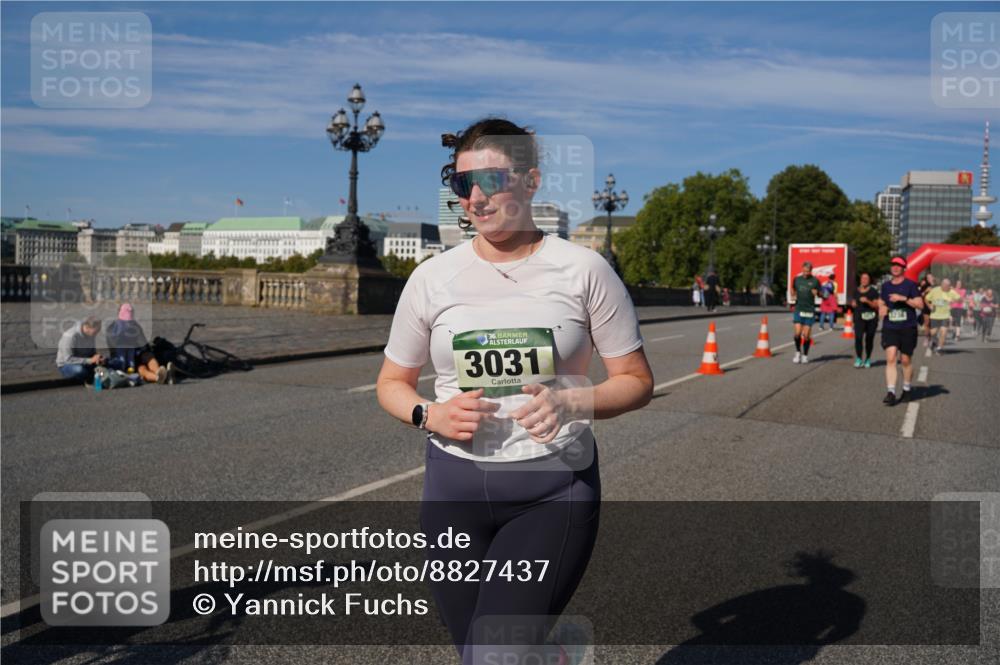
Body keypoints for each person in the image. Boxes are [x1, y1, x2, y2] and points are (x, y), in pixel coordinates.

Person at [375, 117, 654, 665]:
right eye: (461, 185)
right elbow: (391, 384)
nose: (475, 199)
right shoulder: (432, 278)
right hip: (451, 493)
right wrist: (428, 414)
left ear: (529, 182)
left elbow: (638, 381)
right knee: (477, 651)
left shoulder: (584, 270)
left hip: (551, 489)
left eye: (491, 181)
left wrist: (574, 399)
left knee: (493, 657)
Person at [879, 256, 924, 406]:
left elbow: (920, 304)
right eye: (893, 265)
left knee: (905, 360)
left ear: (904, 268)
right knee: (891, 358)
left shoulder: (911, 285)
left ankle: (906, 388)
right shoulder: (885, 286)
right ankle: (891, 392)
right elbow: (882, 301)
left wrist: (903, 299)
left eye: (898, 265)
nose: (895, 267)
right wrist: (882, 307)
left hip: (907, 327)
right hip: (890, 327)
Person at [106, 303, 174, 384]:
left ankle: (159, 373)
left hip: (136, 354)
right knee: (142, 368)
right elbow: (114, 349)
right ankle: (162, 376)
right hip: (124, 359)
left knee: (147, 357)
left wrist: (143, 350)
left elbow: (143, 345)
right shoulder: (112, 329)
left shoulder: (135, 326)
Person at [55, 316, 105, 383]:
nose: (97, 333)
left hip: (85, 362)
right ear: (87, 327)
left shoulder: (91, 334)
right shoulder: (70, 336)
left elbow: (92, 353)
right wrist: (90, 360)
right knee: (80, 370)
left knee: (108, 364)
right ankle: (92, 379)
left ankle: (99, 377)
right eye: (96, 331)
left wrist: (98, 357)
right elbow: (68, 359)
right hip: (66, 365)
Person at [790, 261, 821, 364]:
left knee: (806, 336)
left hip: (809, 310)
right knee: (797, 333)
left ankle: (805, 355)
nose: (805, 273)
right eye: (804, 271)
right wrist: (793, 294)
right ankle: (798, 352)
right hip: (799, 308)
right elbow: (793, 288)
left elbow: (822, 294)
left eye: (807, 271)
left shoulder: (815, 281)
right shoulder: (797, 279)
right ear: (801, 269)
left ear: (811, 271)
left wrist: (817, 293)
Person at [924, 278, 961, 355]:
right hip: (935, 315)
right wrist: (929, 305)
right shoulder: (935, 290)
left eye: (949, 286)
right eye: (947, 286)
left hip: (945, 315)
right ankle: (933, 341)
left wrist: (953, 300)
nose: (948, 288)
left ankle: (939, 348)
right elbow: (926, 299)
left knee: (943, 331)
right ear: (942, 285)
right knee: (933, 332)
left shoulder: (951, 291)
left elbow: (959, 299)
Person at [851, 273, 879, 368]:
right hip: (859, 317)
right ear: (860, 280)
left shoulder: (873, 291)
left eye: (866, 278)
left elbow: (876, 306)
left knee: (869, 339)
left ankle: (867, 358)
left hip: (871, 318)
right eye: (862, 278)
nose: (864, 280)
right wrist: (853, 303)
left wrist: (867, 301)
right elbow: (854, 301)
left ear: (869, 280)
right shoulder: (856, 291)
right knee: (858, 338)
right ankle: (859, 358)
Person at [918, 272, 935, 346]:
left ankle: (933, 338)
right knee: (927, 323)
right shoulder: (924, 286)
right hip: (926, 307)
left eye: (931, 277)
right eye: (928, 278)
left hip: (935, 307)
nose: (930, 279)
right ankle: (927, 337)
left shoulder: (937, 286)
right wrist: (926, 291)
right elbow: (920, 295)